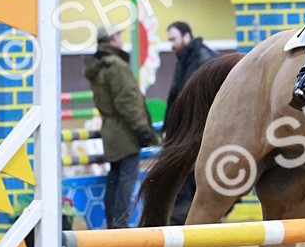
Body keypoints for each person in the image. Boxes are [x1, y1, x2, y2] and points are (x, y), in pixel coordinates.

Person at [84, 28, 158, 229]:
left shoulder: (98, 66)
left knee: (115, 178)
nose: (121, 39)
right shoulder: (116, 66)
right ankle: (121, 224)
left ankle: (112, 222)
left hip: (110, 128)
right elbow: (128, 102)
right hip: (124, 130)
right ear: (112, 40)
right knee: (127, 179)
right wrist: (143, 130)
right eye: (118, 36)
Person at [164, 22, 217, 224]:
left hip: (197, 127)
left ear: (186, 37)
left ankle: (188, 215)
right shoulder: (185, 58)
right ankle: (185, 215)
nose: (171, 44)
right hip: (187, 127)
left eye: (173, 39)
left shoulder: (203, 58)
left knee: (192, 171)